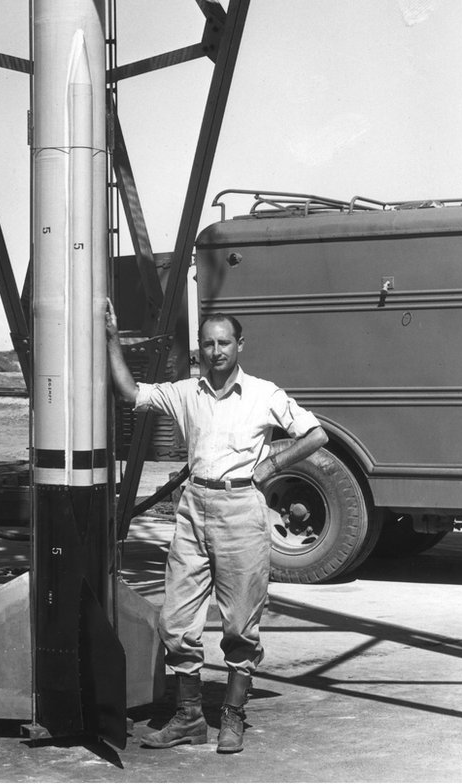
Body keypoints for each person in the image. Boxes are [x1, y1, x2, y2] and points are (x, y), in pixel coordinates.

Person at [105, 301, 327, 754]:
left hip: (242, 509)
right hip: (192, 507)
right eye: (207, 343)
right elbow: (130, 393)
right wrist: (110, 337)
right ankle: (189, 718)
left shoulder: (265, 393)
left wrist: (273, 464)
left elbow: (316, 434)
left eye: (224, 342)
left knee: (239, 624)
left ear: (239, 346)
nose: (215, 350)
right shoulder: (187, 392)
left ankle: (232, 716)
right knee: (174, 619)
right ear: (199, 349)